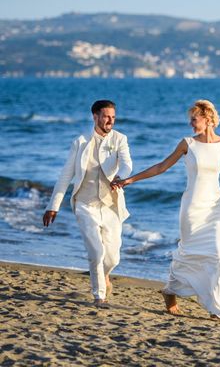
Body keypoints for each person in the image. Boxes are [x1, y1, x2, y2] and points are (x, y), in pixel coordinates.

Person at [111, 99, 220, 319]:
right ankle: (170, 291)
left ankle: (215, 307)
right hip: (192, 206)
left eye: (194, 119)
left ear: (207, 119)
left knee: (218, 255)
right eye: (191, 119)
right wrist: (130, 180)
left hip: (214, 207)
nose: (191, 123)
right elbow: (162, 166)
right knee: (189, 252)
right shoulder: (187, 143)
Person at [43, 99, 132, 305]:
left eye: (113, 117)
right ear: (95, 117)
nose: (110, 120)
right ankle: (99, 295)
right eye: (106, 116)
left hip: (110, 205)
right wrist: (53, 206)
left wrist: (122, 177)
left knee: (112, 258)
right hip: (85, 204)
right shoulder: (81, 142)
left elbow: (127, 164)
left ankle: (105, 276)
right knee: (96, 251)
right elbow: (66, 175)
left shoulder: (120, 139)